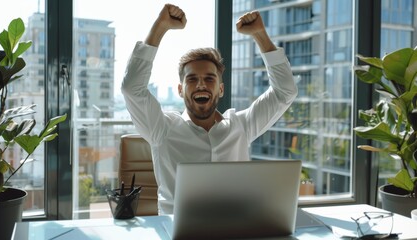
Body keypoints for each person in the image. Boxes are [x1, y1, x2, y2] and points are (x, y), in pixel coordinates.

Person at [121, 4, 297, 215]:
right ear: (180, 89)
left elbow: (285, 91)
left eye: (209, 79)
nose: (201, 85)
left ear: (220, 89)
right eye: (192, 79)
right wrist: (160, 27)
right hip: (176, 230)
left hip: (235, 226)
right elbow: (132, 88)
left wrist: (260, 35)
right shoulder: (162, 129)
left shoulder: (241, 126)